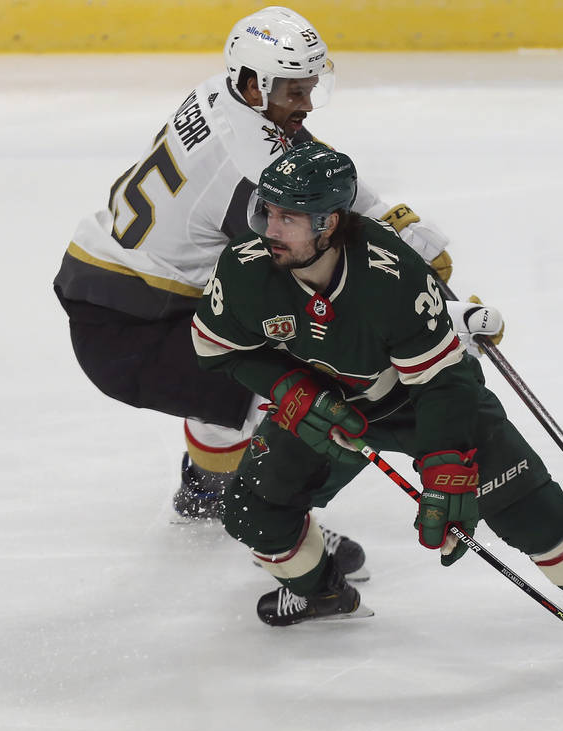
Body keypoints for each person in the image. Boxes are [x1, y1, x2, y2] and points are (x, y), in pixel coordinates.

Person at [191, 142, 563, 650]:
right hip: (330, 408)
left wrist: (445, 465)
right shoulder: (245, 268)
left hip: (422, 399)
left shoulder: (391, 275)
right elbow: (217, 348)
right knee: (254, 509)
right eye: (266, 211)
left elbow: (441, 383)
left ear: (330, 223)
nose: (268, 230)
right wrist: (288, 389)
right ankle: (321, 594)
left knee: (525, 506)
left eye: (289, 217)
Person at [53, 6, 493, 565]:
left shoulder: (225, 93)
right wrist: (421, 309)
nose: (305, 102)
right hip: (133, 325)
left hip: (115, 287)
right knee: (301, 385)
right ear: (252, 83)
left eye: (309, 87)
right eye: (292, 90)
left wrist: (388, 215)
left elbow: (298, 159)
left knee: (233, 374)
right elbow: (318, 261)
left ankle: (207, 490)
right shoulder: (248, 173)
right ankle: (277, 534)